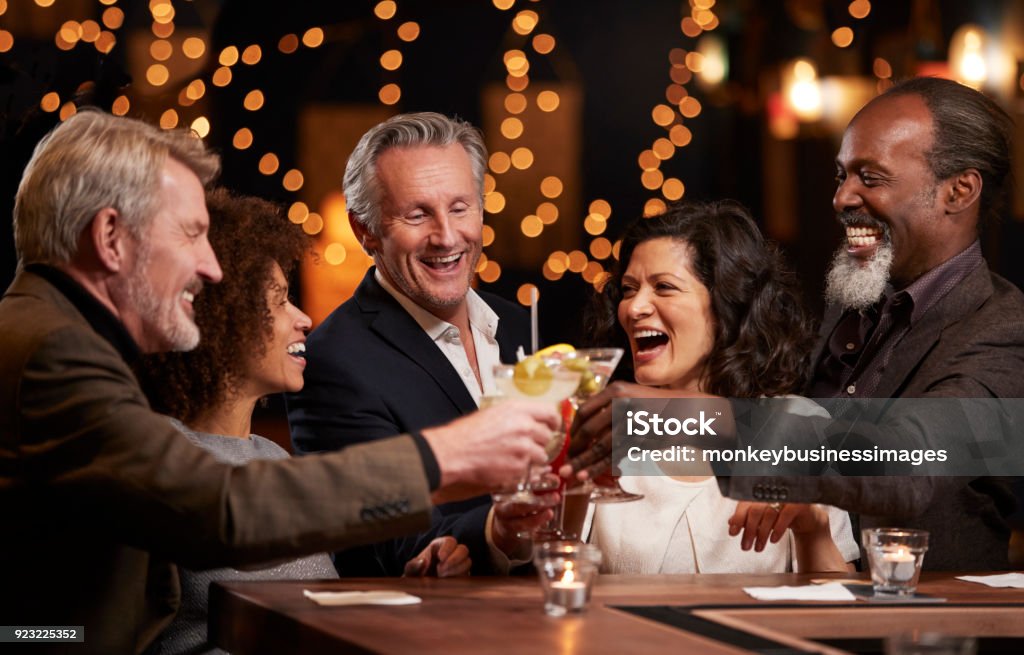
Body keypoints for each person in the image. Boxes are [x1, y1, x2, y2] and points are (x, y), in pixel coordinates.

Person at [0, 109, 557, 654]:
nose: (211, 267)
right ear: (111, 236)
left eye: (461, 206)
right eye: (191, 233)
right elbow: (222, 511)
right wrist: (444, 458)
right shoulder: (54, 349)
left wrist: (637, 429)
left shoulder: (49, 332)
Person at [570, 77, 1024, 570]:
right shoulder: (850, 302)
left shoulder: (1003, 329)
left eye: (870, 178)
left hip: (924, 634)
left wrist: (681, 414)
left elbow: (909, 464)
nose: (842, 198)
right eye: (841, 175)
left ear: (959, 190)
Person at [135, 189, 471, 655]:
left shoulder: (270, 455)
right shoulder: (156, 459)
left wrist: (411, 584)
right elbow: (58, 633)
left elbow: (308, 618)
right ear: (217, 318)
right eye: (277, 302)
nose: (305, 319)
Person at [287, 112, 546, 575]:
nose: (446, 237)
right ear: (365, 230)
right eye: (417, 214)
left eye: (461, 208)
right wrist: (494, 532)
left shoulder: (521, 326)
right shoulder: (334, 361)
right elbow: (387, 539)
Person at [580, 201, 857, 573]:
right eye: (629, 290)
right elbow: (552, 571)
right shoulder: (605, 428)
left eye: (664, 287)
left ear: (726, 306)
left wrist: (812, 528)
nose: (633, 308)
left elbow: (840, 611)